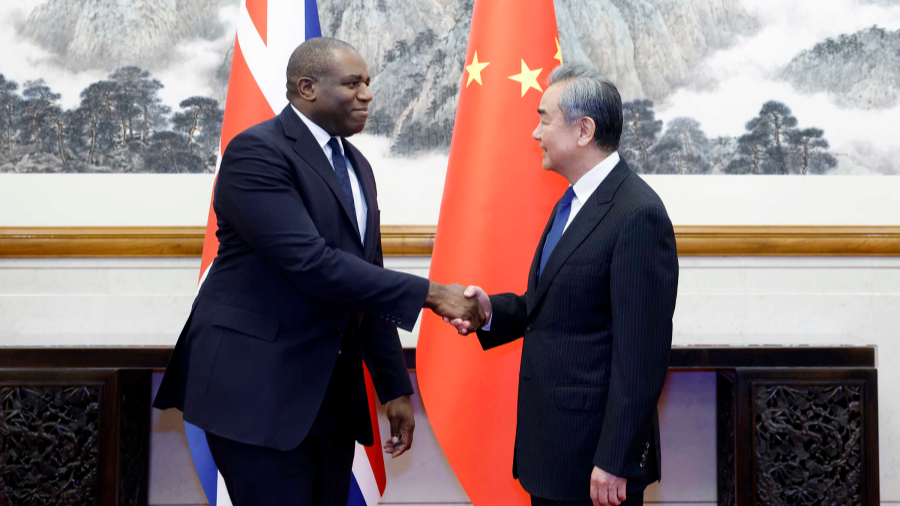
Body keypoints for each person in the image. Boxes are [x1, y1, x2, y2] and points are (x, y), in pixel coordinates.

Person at [153, 37, 484, 506]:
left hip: (329, 396)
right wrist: (433, 294)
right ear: (306, 87)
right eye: (353, 83)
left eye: (368, 83)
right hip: (255, 391)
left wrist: (393, 387)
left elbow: (367, 278)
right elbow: (312, 263)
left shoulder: (357, 166)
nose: (367, 94)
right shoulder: (257, 152)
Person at [450, 64, 679, 506]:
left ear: (583, 130)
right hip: (553, 451)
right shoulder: (571, 202)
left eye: (544, 119)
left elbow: (642, 356)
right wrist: (488, 311)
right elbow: (550, 309)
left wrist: (616, 459)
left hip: (595, 462)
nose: (535, 133)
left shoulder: (637, 214)